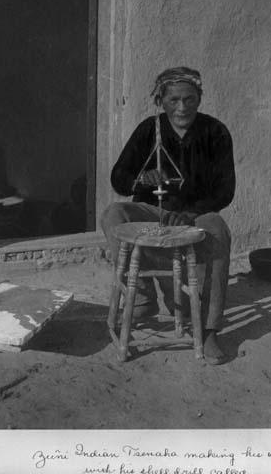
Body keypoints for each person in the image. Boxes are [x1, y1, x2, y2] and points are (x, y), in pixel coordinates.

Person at [101, 66, 235, 365]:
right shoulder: (150, 129)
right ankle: (144, 300)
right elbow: (118, 179)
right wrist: (142, 177)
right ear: (161, 100)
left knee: (219, 230)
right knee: (114, 214)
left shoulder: (215, 132)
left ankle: (210, 327)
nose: (182, 107)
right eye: (173, 100)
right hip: (153, 210)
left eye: (189, 99)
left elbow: (225, 191)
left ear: (199, 98)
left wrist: (190, 213)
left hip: (195, 213)